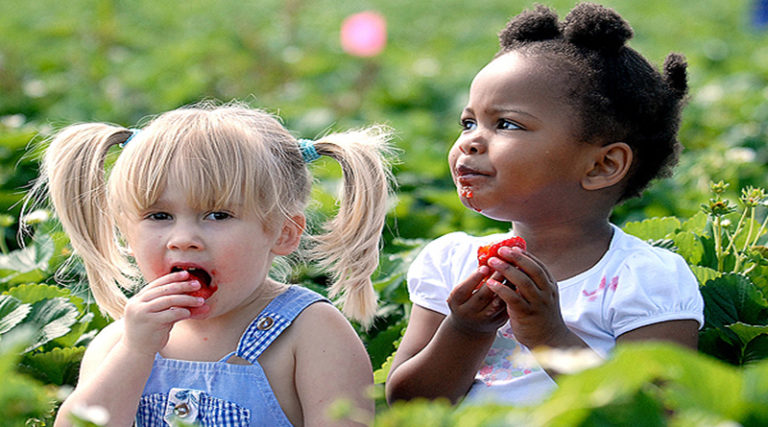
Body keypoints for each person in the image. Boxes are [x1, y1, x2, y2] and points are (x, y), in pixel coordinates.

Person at [385, 3, 704, 407]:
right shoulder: (451, 262)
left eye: (506, 124)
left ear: (603, 165)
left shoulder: (644, 279)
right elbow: (406, 403)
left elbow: (661, 412)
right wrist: (465, 331)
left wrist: (549, 336)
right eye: (469, 122)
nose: (471, 141)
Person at [28, 101, 395, 426]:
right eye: (158, 216)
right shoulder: (120, 341)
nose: (183, 238)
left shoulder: (310, 332)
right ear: (126, 234)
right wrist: (135, 352)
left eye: (218, 215)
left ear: (283, 232)